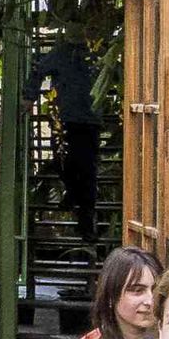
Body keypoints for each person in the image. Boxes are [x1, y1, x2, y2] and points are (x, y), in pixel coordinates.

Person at [38, 34, 106, 234]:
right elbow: (39, 70)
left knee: (85, 170)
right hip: (69, 119)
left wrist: (29, 95)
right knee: (70, 164)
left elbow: (39, 70)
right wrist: (28, 95)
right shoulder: (64, 53)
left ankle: (84, 218)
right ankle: (77, 202)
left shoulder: (97, 54)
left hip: (86, 120)